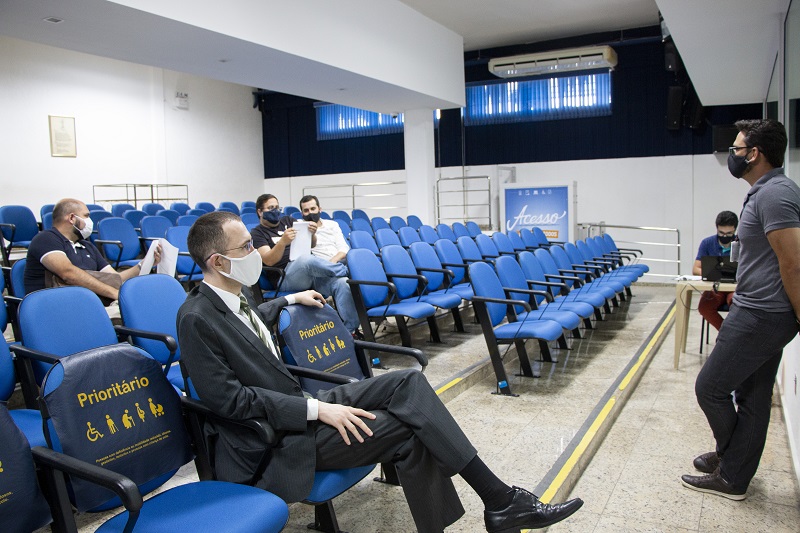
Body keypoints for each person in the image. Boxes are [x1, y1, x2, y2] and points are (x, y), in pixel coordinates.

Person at [177, 211, 583, 533]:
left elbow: (248, 325)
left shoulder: (240, 295)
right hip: (271, 441)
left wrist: (288, 299)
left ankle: (500, 501)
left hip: (295, 410)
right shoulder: (194, 319)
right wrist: (318, 410)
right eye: (247, 246)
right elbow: (229, 401)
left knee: (407, 382)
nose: (257, 251)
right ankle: (500, 501)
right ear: (218, 261)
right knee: (407, 427)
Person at [682, 119, 800, 500]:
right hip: (762, 311)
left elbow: (793, 262)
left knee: (710, 388)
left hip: (761, 314)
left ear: (754, 154)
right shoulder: (766, 190)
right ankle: (734, 474)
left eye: (736, 148)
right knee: (752, 394)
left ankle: (729, 461)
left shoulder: (774, 194)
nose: (731, 155)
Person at [250, 194, 360, 335]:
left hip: (308, 274)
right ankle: (345, 270)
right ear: (260, 211)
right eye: (271, 208)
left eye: (277, 207)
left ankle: (350, 332)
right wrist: (283, 242)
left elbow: (311, 244)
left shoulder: (288, 221)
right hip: (285, 278)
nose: (275, 211)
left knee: (343, 283)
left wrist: (312, 234)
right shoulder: (257, 233)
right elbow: (269, 260)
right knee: (305, 259)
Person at [24, 198, 160, 301]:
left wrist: (144, 263)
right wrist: (114, 294)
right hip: (57, 305)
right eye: (86, 216)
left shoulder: (87, 246)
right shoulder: (46, 238)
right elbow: (68, 273)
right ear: (72, 218)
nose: (90, 221)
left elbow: (114, 278)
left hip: (90, 303)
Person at [692, 210, 738, 331]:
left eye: (729, 233)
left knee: (737, 305)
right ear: (716, 228)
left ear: (735, 230)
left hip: (734, 288)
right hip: (715, 287)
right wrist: (714, 273)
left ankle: (732, 336)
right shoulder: (707, 243)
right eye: (721, 233)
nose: (724, 236)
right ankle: (727, 334)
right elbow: (696, 268)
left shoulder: (742, 244)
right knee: (704, 307)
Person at [299, 194, 349, 265]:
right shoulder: (299, 227)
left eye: (313, 209)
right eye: (306, 210)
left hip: (338, 262)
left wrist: (333, 261)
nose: (310, 212)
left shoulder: (332, 224)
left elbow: (343, 248)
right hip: (318, 265)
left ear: (319, 209)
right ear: (302, 213)